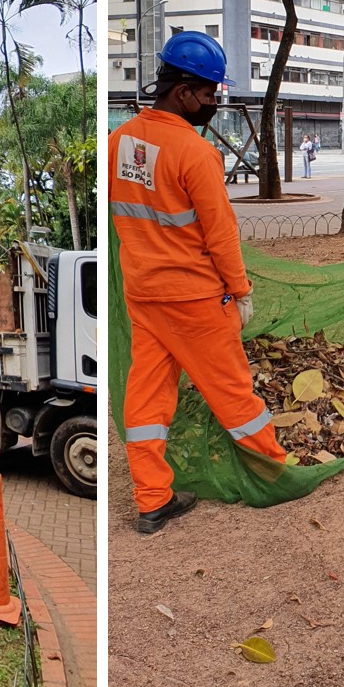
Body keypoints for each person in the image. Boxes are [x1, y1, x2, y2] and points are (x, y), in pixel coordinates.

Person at [109, 31, 290, 534]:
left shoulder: (119, 143)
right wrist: (242, 290)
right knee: (234, 393)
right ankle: (276, 472)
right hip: (193, 298)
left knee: (146, 398)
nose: (213, 103)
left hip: (144, 296)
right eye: (210, 94)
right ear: (185, 91)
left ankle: (152, 499)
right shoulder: (195, 153)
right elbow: (221, 235)